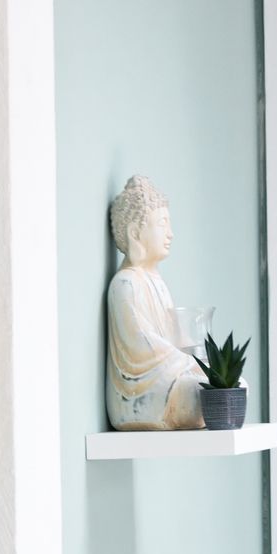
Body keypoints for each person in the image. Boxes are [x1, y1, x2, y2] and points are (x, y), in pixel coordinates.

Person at [106, 176, 205, 430]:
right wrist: (189, 364)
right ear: (135, 232)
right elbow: (143, 345)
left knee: (235, 385)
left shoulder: (159, 284)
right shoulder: (125, 284)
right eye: (162, 224)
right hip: (139, 394)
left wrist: (201, 363)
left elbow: (177, 339)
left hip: (170, 378)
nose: (170, 234)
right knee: (203, 394)